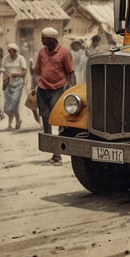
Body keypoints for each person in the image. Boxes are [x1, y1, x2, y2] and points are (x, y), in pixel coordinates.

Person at [33, 27, 75, 165]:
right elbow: (37, 71)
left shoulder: (64, 53)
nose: (42, 40)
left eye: (44, 38)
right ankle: (54, 153)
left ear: (52, 39)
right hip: (43, 89)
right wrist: (34, 87)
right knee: (46, 121)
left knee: (59, 122)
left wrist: (72, 91)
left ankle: (58, 154)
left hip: (58, 90)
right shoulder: (41, 52)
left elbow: (71, 73)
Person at [2, 43, 27, 129]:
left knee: (14, 101)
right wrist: (4, 80)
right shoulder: (5, 58)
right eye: (10, 51)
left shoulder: (21, 58)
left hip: (18, 83)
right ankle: (18, 119)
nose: (11, 53)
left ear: (16, 51)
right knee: (8, 103)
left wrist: (18, 74)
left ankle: (9, 123)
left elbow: (24, 71)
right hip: (8, 83)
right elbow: (4, 71)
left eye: (13, 51)